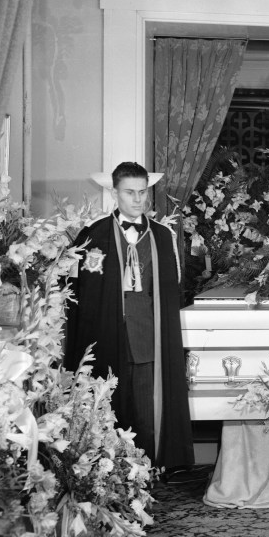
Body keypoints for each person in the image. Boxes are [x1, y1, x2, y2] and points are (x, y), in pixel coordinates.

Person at [64, 162, 193, 470]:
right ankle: (110, 474)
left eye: (142, 192)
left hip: (148, 336)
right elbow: (77, 292)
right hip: (108, 335)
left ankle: (148, 473)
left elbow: (174, 289)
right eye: (129, 192)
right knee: (110, 409)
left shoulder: (163, 237)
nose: (137, 199)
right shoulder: (93, 235)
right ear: (114, 193)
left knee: (148, 411)